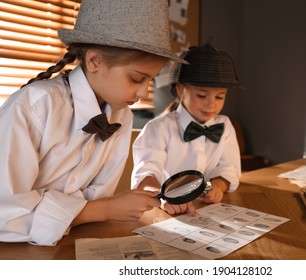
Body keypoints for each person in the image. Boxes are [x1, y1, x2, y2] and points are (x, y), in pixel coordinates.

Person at [0, 0, 186, 246]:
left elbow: (95, 196)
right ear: (95, 61)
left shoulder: (121, 116)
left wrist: (102, 207)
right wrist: (106, 209)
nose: (143, 93)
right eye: (136, 78)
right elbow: (6, 216)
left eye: (149, 81)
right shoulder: (34, 107)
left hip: (71, 242)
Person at [131, 43, 242, 216]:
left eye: (220, 96)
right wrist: (163, 198)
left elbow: (229, 167)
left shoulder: (225, 125)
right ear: (181, 91)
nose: (211, 104)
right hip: (165, 210)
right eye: (202, 95)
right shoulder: (158, 128)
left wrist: (218, 186)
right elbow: (146, 171)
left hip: (203, 209)